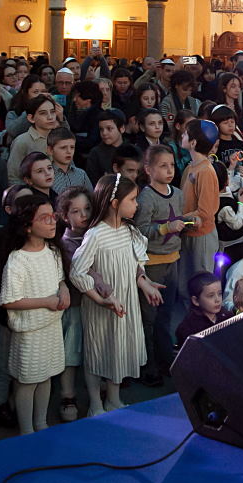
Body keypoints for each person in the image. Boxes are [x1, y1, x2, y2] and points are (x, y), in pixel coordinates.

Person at [71, 174, 164, 416]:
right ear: (114, 203)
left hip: (125, 301)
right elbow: (78, 272)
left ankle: (113, 399)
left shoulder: (129, 232)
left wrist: (145, 284)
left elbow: (135, 265)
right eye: (132, 199)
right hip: (102, 306)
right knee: (98, 350)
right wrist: (100, 299)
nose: (137, 204)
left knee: (118, 350)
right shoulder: (96, 234)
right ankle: (95, 404)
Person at [0, 196, 68, 434]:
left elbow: (59, 278)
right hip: (29, 331)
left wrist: (64, 289)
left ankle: (41, 422)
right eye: (44, 218)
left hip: (51, 326)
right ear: (27, 226)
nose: (52, 222)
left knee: (46, 377)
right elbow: (9, 300)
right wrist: (46, 301)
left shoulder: (53, 251)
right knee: (27, 381)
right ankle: (27, 429)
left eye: (53, 216)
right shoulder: (18, 259)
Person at [133, 145, 190, 384]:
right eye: (162, 166)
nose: (169, 170)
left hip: (172, 260)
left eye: (171, 165)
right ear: (148, 169)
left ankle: (167, 360)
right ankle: (149, 366)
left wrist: (188, 222)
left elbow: (177, 220)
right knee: (150, 317)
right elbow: (139, 230)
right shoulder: (145, 197)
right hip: (153, 263)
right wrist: (165, 228)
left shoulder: (177, 193)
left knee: (166, 315)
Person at [55, 187, 98, 422]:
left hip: (95, 306)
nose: (83, 215)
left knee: (94, 349)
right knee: (70, 353)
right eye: (76, 211)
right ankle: (67, 395)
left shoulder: (97, 234)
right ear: (65, 216)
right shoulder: (65, 243)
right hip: (76, 306)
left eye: (87, 209)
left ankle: (98, 391)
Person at [180, 119, 222, 277]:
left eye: (185, 134)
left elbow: (205, 212)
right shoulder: (190, 167)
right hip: (187, 231)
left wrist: (177, 219)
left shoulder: (205, 171)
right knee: (186, 281)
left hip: (201, 235)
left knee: (202, 281)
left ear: (193, 143)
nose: (182, 135)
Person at [176, 272, 229, 342]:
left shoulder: (226, 316)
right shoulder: (188, 328)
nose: (217, 300)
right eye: (211, 296)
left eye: (219, 294)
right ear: (196, 301)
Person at [85, 109, 126, 185]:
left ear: (122, 128)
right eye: (101, 129)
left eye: (109, 129)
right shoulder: (96, 153)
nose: (104, 133)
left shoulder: (131, 150)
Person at [48, 127, 91, 196]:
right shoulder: (47, 175)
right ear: (50, 150)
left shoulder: (81, 174)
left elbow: (91, 199)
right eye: (63, 147)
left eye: (72, 147)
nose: (69, 151)